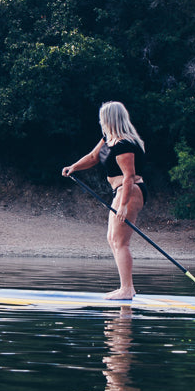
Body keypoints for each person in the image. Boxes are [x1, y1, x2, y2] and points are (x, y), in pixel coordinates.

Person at [62, 101, 147, 300]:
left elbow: (128, 176)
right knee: (113, 239)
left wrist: (124, 205)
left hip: (131, 191)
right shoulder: (109, 140)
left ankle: (126, 289)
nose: (100, 121)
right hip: (121, 191)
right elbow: (93, 157)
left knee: (120, 241)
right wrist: (73, 167)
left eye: (102, 118)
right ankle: (127, 288)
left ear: (110, 119)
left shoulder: (125, 144)